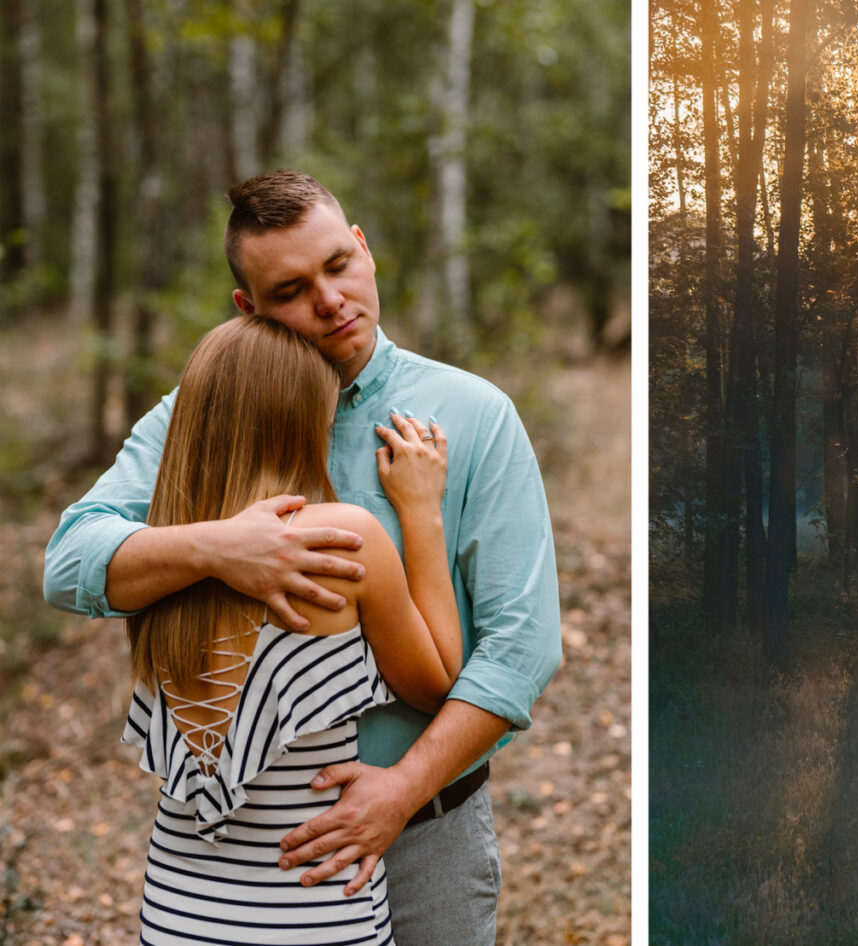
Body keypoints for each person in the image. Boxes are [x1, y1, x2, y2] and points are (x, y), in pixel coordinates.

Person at [44, 170, 562, 946]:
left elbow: (521, 651)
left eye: (338, 265)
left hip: (428, 838)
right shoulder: (201, 417)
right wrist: (219, 547)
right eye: (290, 290)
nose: (330, 301)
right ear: (248, 308)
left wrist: (400, 790)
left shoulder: (474, 415)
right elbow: (68, 562)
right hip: (238, 853)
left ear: (364, 248)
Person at [125, 315, 460, 943]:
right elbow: (437, 684)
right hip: (312, 904)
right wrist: (421, 512)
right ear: (299, 421)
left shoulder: (156, 554)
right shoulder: (340, 538)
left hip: (175, 907)